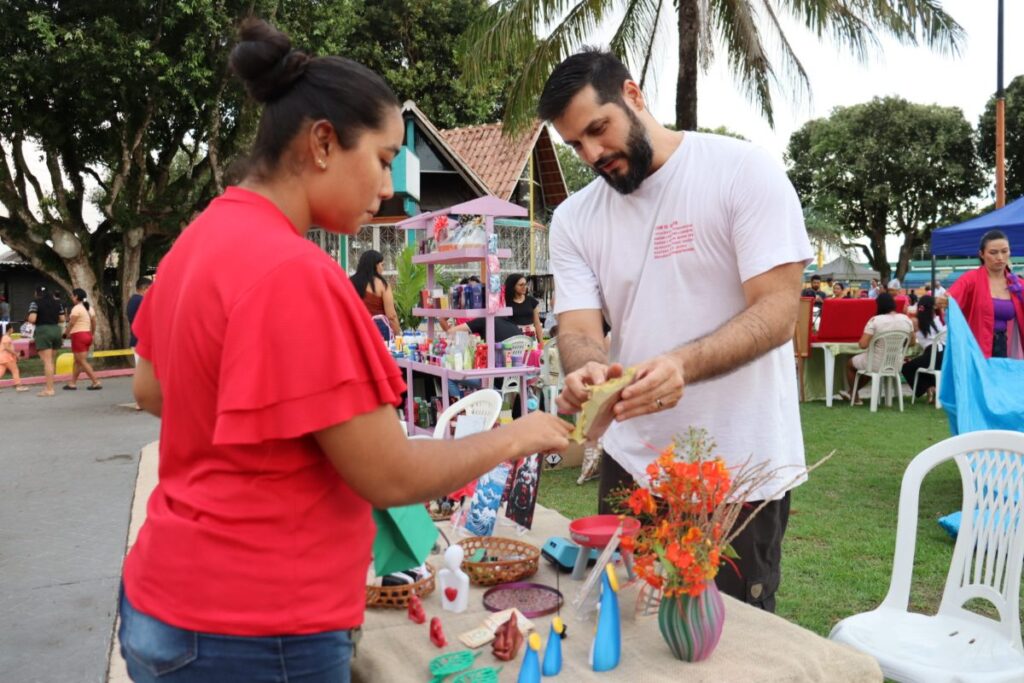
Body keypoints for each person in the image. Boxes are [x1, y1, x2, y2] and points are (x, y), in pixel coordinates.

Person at [120, 19, 571, 683]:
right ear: (323, 143)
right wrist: (517, 434)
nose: (389, 185)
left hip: (163, 600)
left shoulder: (198, 240)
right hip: (259, 626)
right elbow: (387, 475)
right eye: (386, 158)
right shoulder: (296, 272)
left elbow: (151, 390)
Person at [540, 49, 812, 612]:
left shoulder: (742, 171)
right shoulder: (573, 219)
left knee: (731, 644)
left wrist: (682, 365)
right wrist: (586, 367)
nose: (591, 154)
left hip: (740, 465)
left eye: (598, 129)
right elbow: (580, 328)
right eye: (575, 145)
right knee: (621, 629)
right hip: (632, 459)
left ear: (634, 96)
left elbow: (779, 312)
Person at [945, 229, 1024, 358]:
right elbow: (949, 299)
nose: (1000, 257)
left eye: (1004, 251)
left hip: (1004, 346)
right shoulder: (970, 279)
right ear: (981, 254)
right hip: (975, 347)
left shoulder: (1017, 284)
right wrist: (943, 300)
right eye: (993, 252)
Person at [841, 293, 913, 404]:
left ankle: (854, 396)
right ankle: (852, 393)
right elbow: (912, 342)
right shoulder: (906, 320)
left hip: (876, 363)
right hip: (896, 363)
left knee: (851, 364)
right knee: (867, 365)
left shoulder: (875, 320)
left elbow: (863, 345)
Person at [900, 295, 946, 402]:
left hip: (932, 354)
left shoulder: (915, 321)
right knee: (921, 365)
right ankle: (933, 388)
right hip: (943, 354)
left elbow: (910, 340)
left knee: (906, 367)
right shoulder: (936, 320)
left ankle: (930, 388)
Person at [350, 249, 402, 337]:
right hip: (377, 334)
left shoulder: (350, 282)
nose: (383, 268)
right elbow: (391, 316)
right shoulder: (382, 285)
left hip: (355, 332)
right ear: (375, 266)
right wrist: (398, 335)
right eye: (382, 265)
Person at [26, 285, 65, 397]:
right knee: (51, 361)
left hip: (43, 331)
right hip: (56, 330)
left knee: (47, 362)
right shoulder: (58, 303)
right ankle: (49, 386)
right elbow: (62, 319)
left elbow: (32, 319)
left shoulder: (35, 303)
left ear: (37, 293)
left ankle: (49, 389)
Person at [63, 288, 102, 390]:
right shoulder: (89, 308)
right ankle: (72, 383)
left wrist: (65, 334)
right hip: (87, 335)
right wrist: (92, 334)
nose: (71, 297)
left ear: (76, 297)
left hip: (78, 336)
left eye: (72, 295)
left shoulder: (76, 308)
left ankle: (95, 381)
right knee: (78, 361)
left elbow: (71, 323)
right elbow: (94, 323)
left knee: (82, 361)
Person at [502, 273, 543, 342]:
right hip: (514, 338)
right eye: (521, 285)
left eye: (525, 284)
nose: (524, 287)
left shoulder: (531, 301)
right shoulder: (505, 302)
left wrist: (541, 343)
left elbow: (537, 323)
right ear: (513, 286)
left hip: (531, 337)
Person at [126, 277, 152, 363]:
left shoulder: (132, 300)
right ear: (145, 288)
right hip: (143, 340)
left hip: (136, 338)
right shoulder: (142, 301)